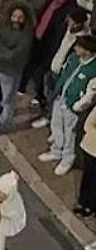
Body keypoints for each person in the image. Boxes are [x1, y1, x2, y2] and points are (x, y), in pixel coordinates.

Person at [37, 31, 96, 176]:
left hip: (73, 106)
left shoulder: (93, 69)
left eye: (79, 47)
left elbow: (91, 93)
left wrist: (78, 106)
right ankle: (57, 150)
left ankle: (67, 159)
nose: (76, 49)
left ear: (87, 51)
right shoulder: (73, 59)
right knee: (56, 125)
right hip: (61, 98)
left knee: (70, 133)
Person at [0, 1, 34, 131]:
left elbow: (11, 55)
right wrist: (0, 49)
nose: (16, 20)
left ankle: (4, 122)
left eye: (20, 17)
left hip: (11, 72)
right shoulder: (3, 26)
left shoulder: (26, 36)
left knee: (8, 99)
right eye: (14, 16)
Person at [75, 103, 96, 217]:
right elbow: (88, 124)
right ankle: (84, 202)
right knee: (88, 177)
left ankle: (90, 206)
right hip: (91, 148)